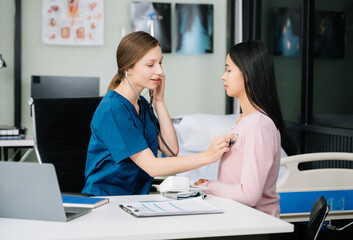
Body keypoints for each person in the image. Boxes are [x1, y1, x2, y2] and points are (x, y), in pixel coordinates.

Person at [82, 31, 234, 196]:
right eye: (150, 65)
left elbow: (171, 149)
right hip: (107, 200)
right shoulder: (113, 109)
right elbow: (152, 166)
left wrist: (159, 101)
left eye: (160, 63)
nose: (160, 71)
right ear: (128, 67)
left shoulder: (141, 104)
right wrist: (207, 156)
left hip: (134, 198)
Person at [195, 40, 284, 218]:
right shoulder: (245, 121)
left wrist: (207, 185)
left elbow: (249, 195)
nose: (223, 76)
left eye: (228, 70)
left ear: (248, 74)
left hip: (256, 224)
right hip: (238, 217)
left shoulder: (259, 126)